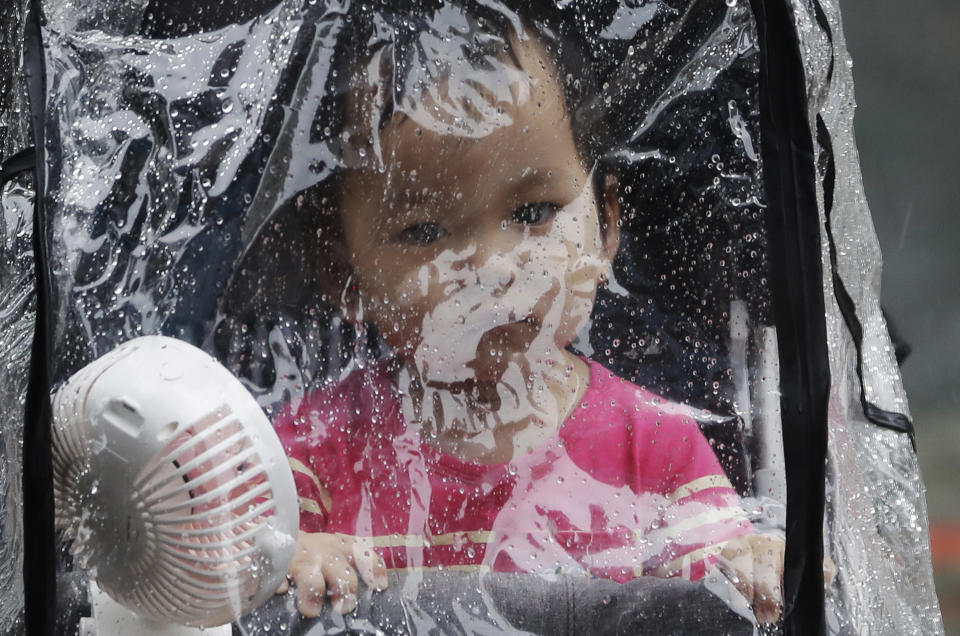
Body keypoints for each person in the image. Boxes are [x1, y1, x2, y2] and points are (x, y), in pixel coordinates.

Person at [269, 0, 785, 624]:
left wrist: (752, 561)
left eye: (535, 212)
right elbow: (220, 579)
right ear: (344, 273)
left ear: (606, 221)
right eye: (425, 230)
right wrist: (278, 559)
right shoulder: (311, 455)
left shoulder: (655, 449)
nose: (492, 267)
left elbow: (717, 598)